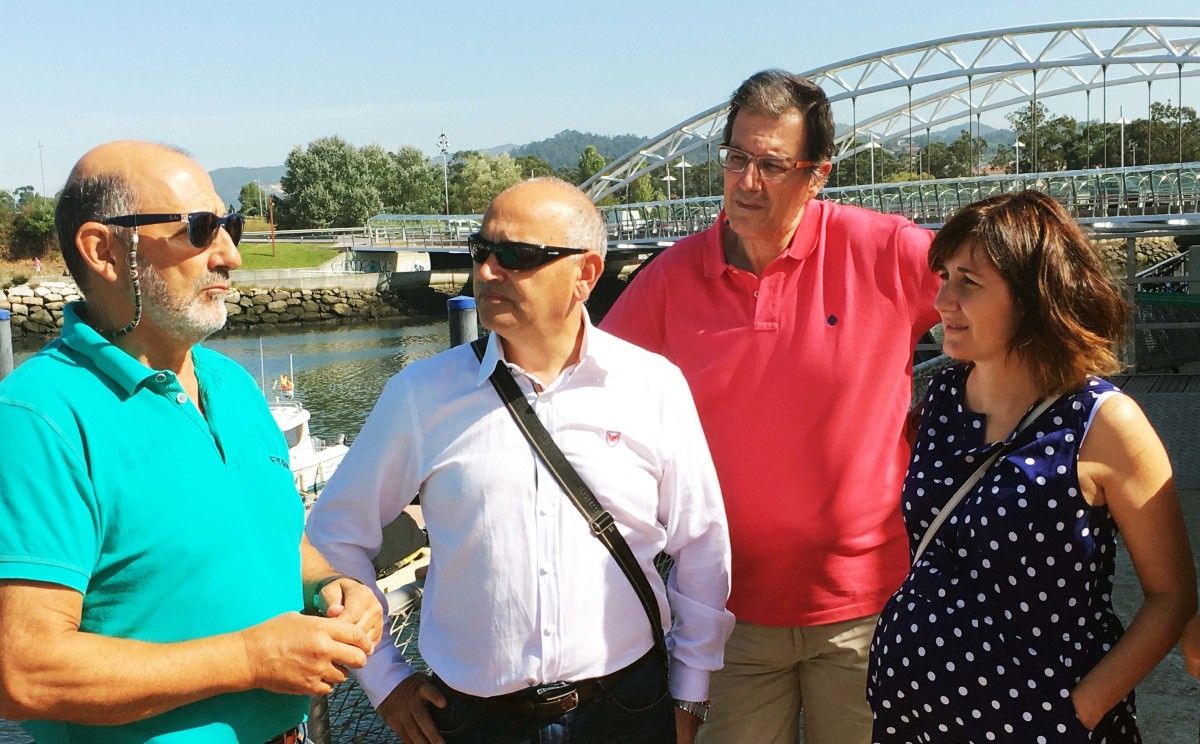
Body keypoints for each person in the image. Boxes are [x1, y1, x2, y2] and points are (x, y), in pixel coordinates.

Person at [305, 177, 734, 744]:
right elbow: (333, 535)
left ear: (585, 274)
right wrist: (386, 680)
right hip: (472, 721)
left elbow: (702, 544)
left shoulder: (652, 386)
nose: (486, 272)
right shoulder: (421, 395)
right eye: (480, 252)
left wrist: (689, 693)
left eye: (517, 256)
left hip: (626, 709)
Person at [0, 141, 384, 744]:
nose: (230, 255)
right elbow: (23, 670)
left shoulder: (231, 383)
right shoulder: (36, 415)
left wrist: (332, 587)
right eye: (200, 231)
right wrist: (250, 660)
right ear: (103, 251)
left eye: (228, 225)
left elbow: (281, 539)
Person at [601, 69, 940, 743]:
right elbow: (586, 396)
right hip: (729, 616)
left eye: (772, 165)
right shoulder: (670, 280)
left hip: (866, 610)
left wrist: (974, 420)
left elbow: (1004, 310)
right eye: (736, 159)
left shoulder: (888, 251)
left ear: (817, 175)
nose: (746, 182)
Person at [867, 190, 1197, 742]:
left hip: (1039, 728)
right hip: (910, 720)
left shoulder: (1104, 423)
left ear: (1034, 297)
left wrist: (1077, 713)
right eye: (943, 275)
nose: (943, 299)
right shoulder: (943, 397)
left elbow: (1172, 597)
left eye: (968, 282)